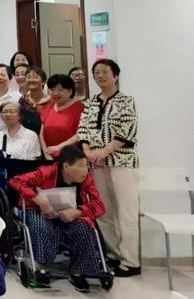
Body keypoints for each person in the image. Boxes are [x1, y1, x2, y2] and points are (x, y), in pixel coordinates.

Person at [9, 146, 106, 293]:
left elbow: (99, 205)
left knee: (84, 225)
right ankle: (42, 265)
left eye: (86, 165)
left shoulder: (86, 179)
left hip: (69, 214)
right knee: (40, 226)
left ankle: (78, 271)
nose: (85, 170)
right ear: (66, 166)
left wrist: (78, 212)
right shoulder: (46, 172)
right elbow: (16, 181)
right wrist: (37, 199)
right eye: (81, 166)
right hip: (40, 211)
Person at [77, 59, 140, 277]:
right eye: (97, 72)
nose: (100, 76)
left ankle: (131, 261)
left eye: (105, 72)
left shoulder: (126, 101)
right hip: (95, 162)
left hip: (121, 161)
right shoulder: (90, 103)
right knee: (104, 210)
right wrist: (88, 151)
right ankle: (113, 254)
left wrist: (104, 151)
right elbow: (83, 129)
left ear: (115, 75)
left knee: (126, 211)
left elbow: (127, 130)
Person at [40, 74, 84, 159]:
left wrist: (58, 147)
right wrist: (46, 152)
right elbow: (41, 134)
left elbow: (81, 133)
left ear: (70, 91)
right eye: (52, 89)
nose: (56, 93)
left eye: (60, 89)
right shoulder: (49, 106)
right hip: (48, 156)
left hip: (71, 157)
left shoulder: (80, 108)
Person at [20, 66, 49, 135]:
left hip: (46, 137)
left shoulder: (51, 102)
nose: (31, 80)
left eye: (35, 77)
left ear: (43, 82)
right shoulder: (22, 100)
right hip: (26, 137)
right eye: (28, 77)